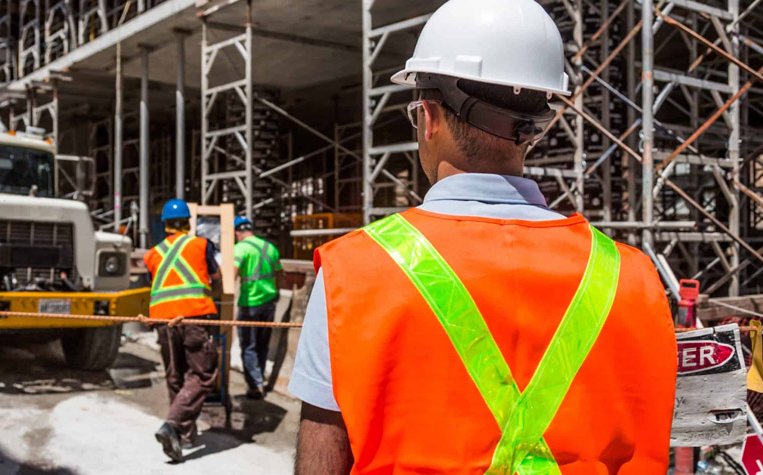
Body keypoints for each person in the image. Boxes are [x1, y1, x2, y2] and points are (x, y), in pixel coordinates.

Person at [289, 0, 677, 473]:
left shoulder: (352, 273)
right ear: (533, 127)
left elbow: (322, 456)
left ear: (428, 117)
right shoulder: (632, 276)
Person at [143, 198, 222, 463]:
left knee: (176, 376)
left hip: (163, 322)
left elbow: (153, 284)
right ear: (189, 222)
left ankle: (184, 436)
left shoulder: (152, 254)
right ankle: (173, 424)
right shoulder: (201, 245)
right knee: (203, 375)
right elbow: (217, 276)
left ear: (165, 224)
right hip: (194, 317)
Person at [232, 216, 284, 399]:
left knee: (248, 346)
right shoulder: (270, 248)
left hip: (249, 304)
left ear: (238, 233)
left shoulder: (240, 248)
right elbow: (280, 273)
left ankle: (255, 386)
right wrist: (276, 291)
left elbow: (233, 273)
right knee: (262, 344)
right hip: (269, 303)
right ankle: (260, 379)